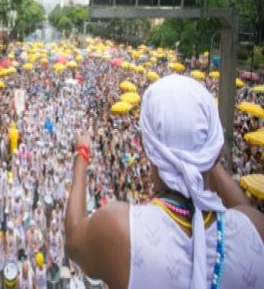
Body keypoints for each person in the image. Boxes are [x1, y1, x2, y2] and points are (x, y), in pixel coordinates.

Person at [65, 75, 264, 289]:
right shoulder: (255, 228)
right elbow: (243, 208)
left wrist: (82, 152)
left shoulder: (118, 228)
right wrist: (201, 156)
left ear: (145, 145)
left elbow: (73, 238)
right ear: (216, 149)